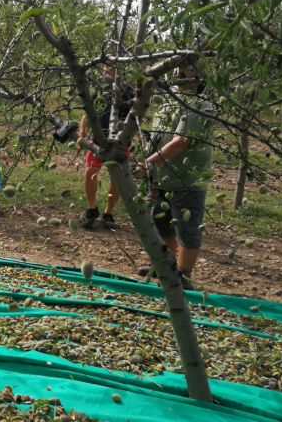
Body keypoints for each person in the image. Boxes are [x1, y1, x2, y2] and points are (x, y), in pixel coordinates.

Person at [137, 66, 214, 291]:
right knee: (162, 223)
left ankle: (184, 276)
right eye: (179, 66)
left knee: (187, 228)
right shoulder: (170, 101)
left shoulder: (200, 106)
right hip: (162, 177)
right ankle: (166, 267)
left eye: (188, 66)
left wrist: (148, 163)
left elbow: (181, 143)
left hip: (187, 180)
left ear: (199, 74)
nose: (179, 70)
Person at [78, 64, 136, 230]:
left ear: (118, 74)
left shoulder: (131, 94)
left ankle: (108, 213)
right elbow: (88, 113)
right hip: (99, 141)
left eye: (107, 71)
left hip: (119, 143)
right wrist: (82, 134)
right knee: (90, 172)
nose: (103, 74)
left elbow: (135, 123)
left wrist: (126, 141)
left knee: (116, 178)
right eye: (103, 71)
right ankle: (91, 209)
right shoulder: (101, 91)